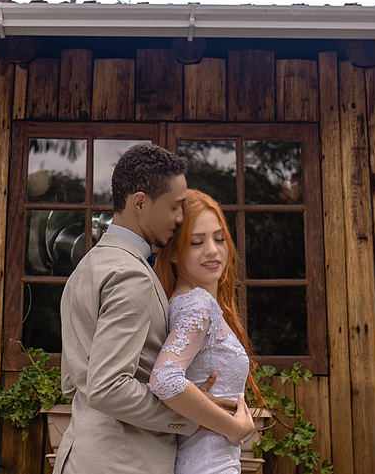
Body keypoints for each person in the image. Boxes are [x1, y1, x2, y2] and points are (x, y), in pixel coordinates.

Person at [53, 145, 251, 474]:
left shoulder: (89, 266)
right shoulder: (132, 275)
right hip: (121, 461)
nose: (178, 217)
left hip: (84, 449)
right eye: (174, 206)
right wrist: (195, 418)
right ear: (141, 202)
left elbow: (78, 379)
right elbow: (109, 385)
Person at [149, 190, 259, 474]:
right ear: (173, 252)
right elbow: (165, 380)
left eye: (219, 238)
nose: (212, 250)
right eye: (197, 242)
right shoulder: (197, 304)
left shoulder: (193, 302)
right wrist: (234, 428)